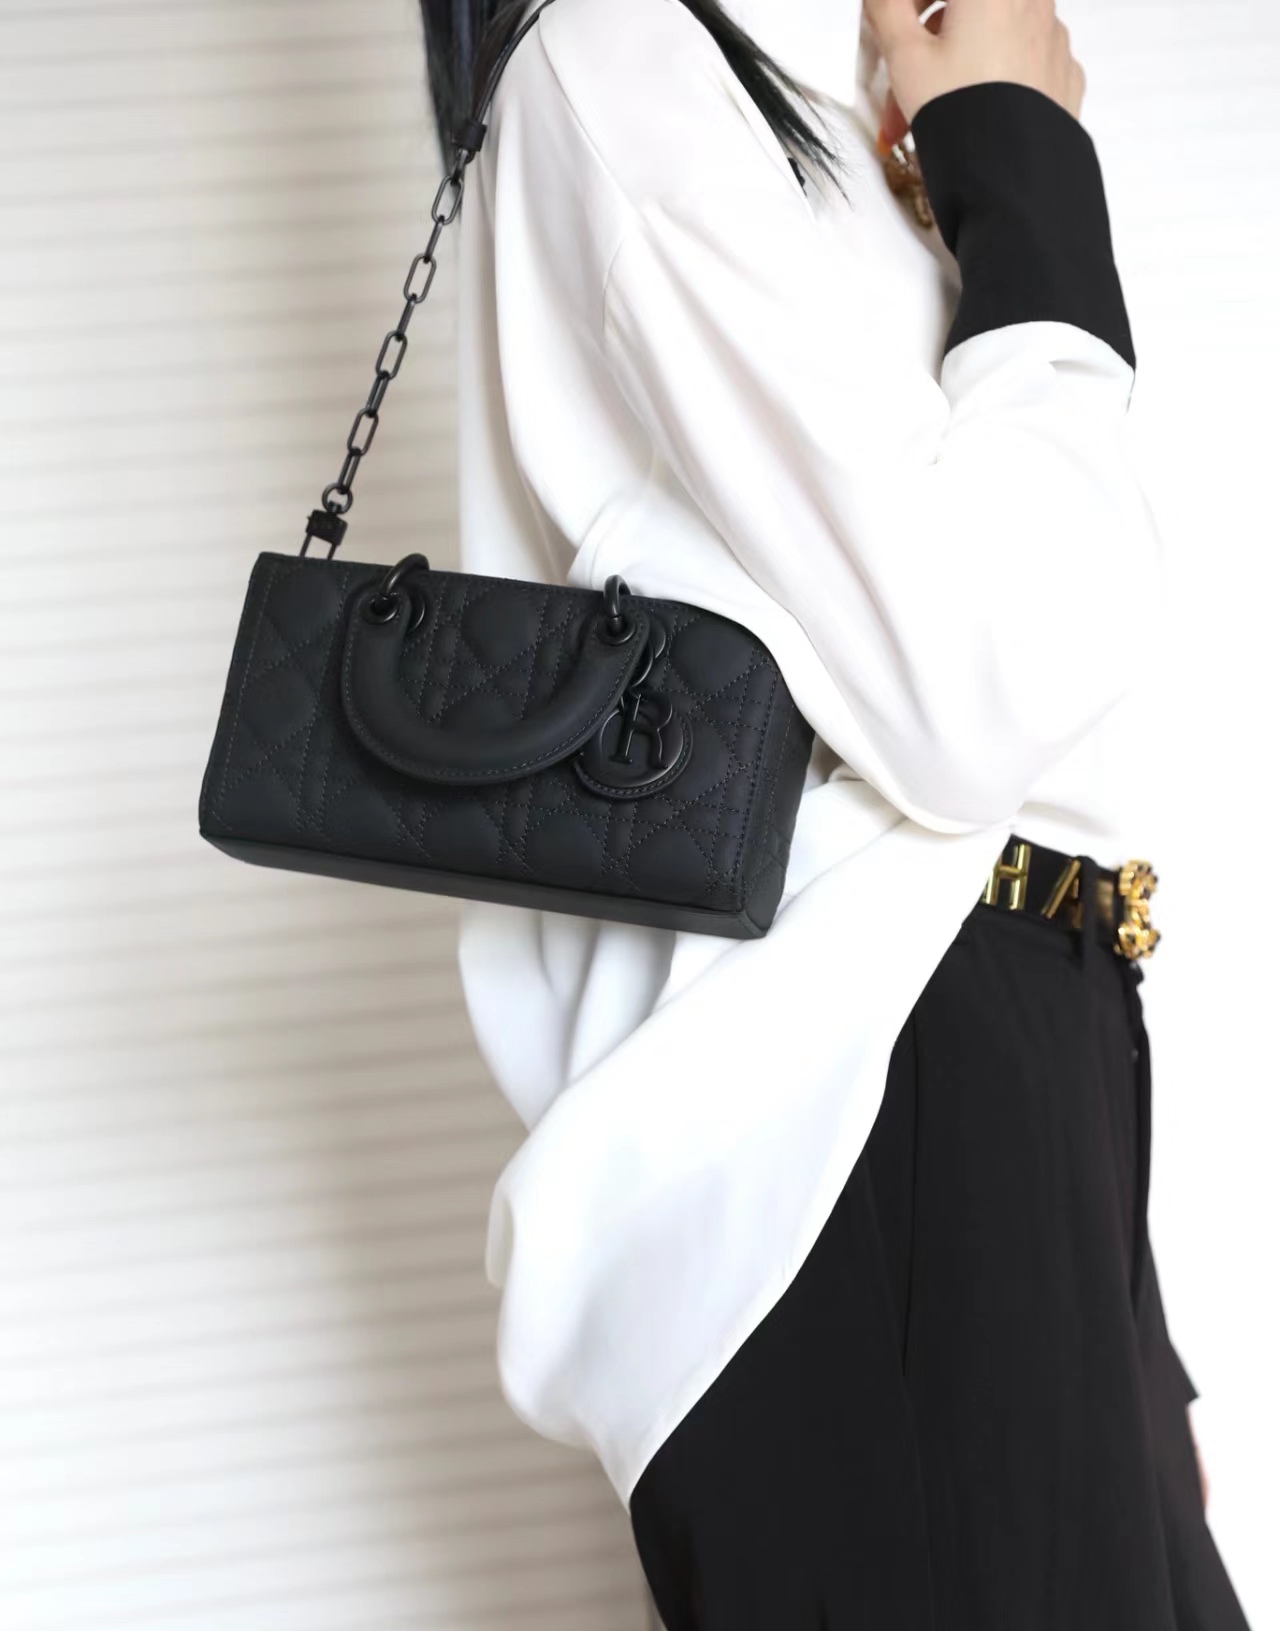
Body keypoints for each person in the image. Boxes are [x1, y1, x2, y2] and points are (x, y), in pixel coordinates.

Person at [419, 0, 1254, 1621]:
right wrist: (1019, 160)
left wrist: (1127, 1321)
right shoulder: (623, 63)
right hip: (864, 1126)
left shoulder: (806, 97)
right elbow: (972, 693)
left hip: (1017, 1084)